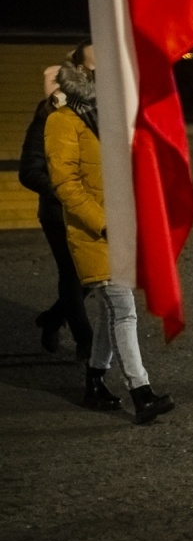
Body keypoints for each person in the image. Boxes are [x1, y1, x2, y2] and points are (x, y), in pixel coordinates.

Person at [44, 44, 175, 425]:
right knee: (123, 309)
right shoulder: (62, 120)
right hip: (94, 231)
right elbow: (65, 184)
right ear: (81, 72)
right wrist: (103, 222)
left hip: (121, 228)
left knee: (109, 312)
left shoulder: (109, 119)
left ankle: (95, 380)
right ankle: (141, 391)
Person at [19, 61, 92, 360]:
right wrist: (62, 192)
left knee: (92, 275)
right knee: (72, 275)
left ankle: (52, 318)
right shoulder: (44, 120)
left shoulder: (86, 115)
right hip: (56, 213)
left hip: (87, 208)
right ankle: (85, 340)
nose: (54, 85)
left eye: (58, 80)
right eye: (50, 81)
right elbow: (29, 171)